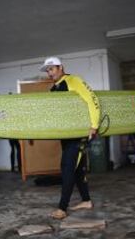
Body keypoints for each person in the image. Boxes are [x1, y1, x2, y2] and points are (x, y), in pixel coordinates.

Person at [40, 56, 100, 219]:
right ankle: (86, 200)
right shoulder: (54, 89)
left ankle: (62, 208)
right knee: (77, 169)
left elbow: (92, 100)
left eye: (51, 69)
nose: (49, 73)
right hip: (66, 136)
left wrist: (94, 125)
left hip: (78, 134)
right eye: (47, 70)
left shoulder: (73, 80)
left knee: (67, 167)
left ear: (61, 67)